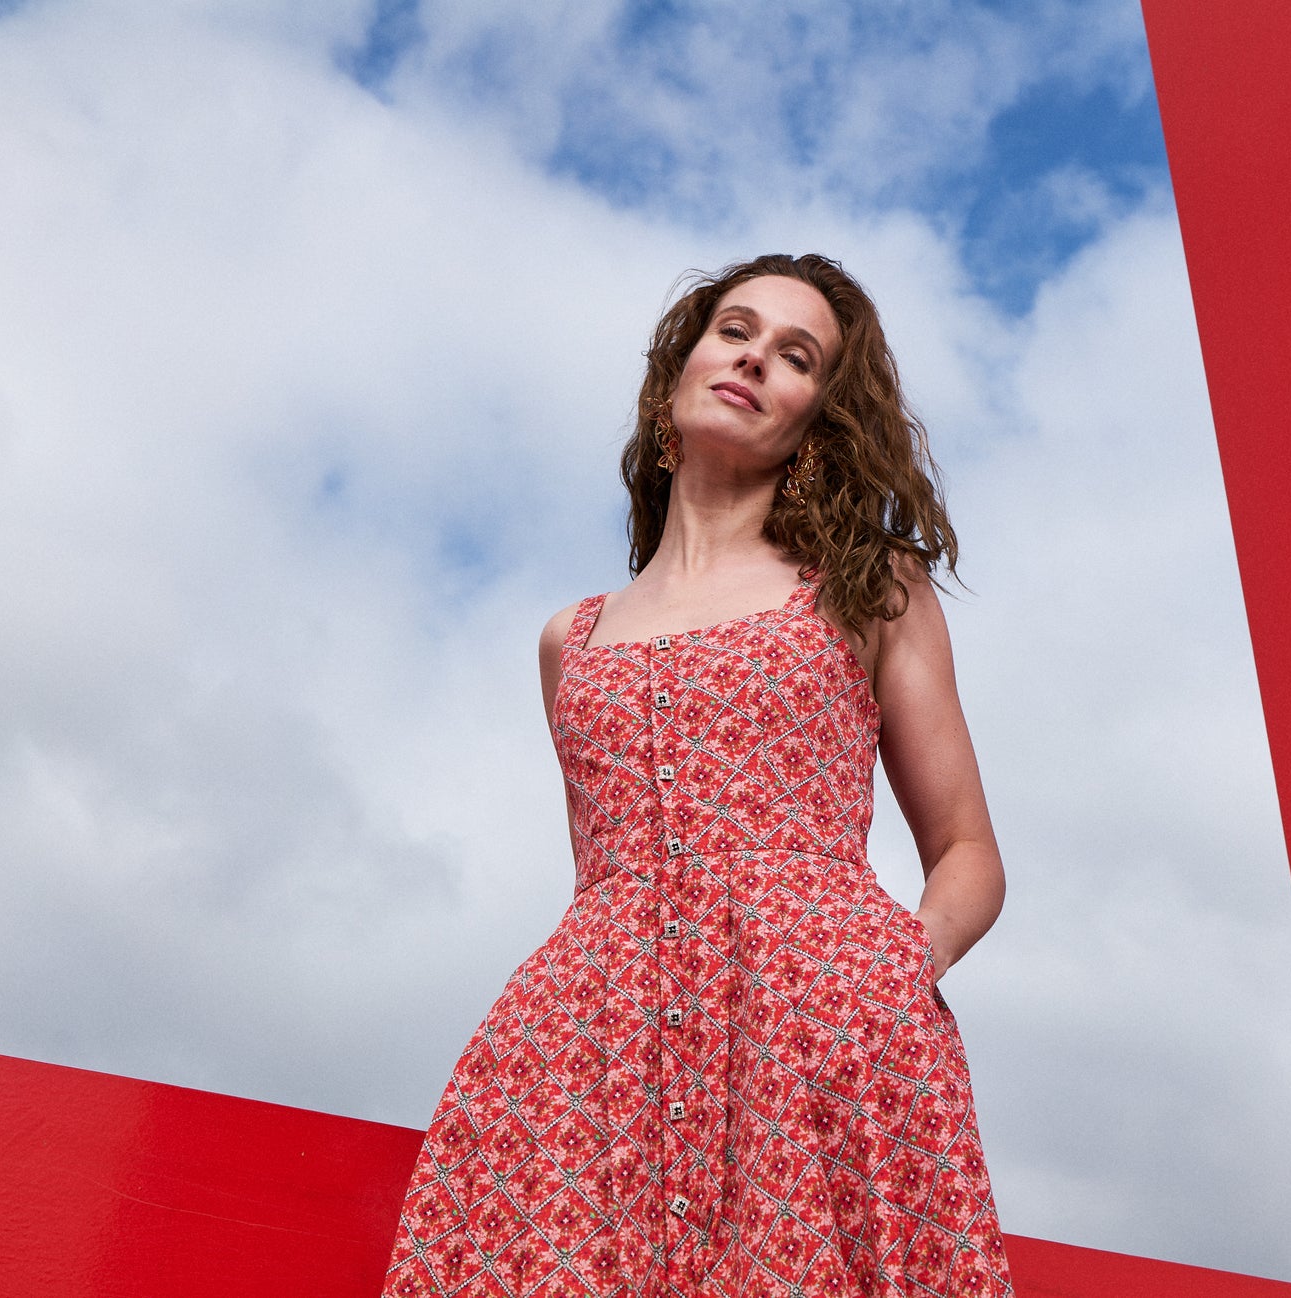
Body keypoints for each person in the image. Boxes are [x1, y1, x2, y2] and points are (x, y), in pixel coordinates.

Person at [380, 253, 1013, 1297]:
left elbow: (967, 850)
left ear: (817, 415)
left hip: (816, 1036)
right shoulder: (567, 639)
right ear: (678, 367)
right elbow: (609, 866)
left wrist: (890, 974)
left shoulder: (868, 590)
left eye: (795, 354)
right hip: (586, 1056)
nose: (755, 356)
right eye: (735, 329)